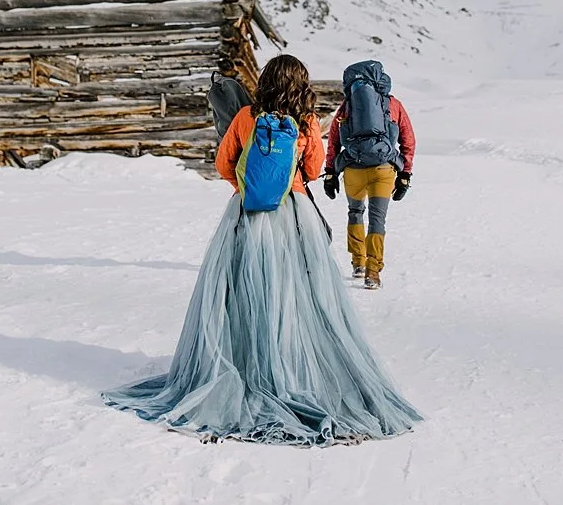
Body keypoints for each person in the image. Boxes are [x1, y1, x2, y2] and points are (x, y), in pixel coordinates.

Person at [102, 54, 421, 445]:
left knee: (243, 292)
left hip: (248, 214)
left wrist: (249, 187)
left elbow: (223, 164)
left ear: (265, 81)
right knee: (299, 296)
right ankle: (295, 367)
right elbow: (313, 168)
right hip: (295, 215)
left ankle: (244, 363)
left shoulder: (245, 117)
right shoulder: (305, 121)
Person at [322, 60, 415, 289]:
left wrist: (330, 172)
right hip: (383, 169)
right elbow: (408, 139)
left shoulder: (347, 106)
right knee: (377, 219)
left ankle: (358, 263)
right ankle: (373, 272)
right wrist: (405, 174)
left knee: (355, 212)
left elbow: (333, 140)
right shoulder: (393, 104)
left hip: (353, 168)